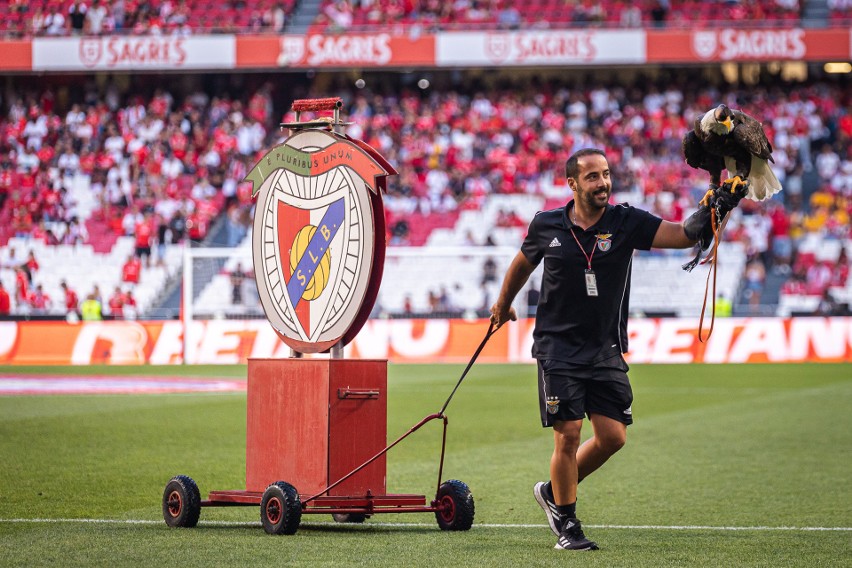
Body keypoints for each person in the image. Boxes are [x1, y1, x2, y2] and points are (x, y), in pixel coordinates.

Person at [489, 148, 746, 551]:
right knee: (568, 435)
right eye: (592, 176)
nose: (602, 183)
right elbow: (522, 264)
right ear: (572, 184)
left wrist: (717, 202)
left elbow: (683, 235)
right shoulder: (547, 225)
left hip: (605, 347)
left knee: (612, 438)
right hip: (557, 346)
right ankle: (567, 524)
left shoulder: (626, 221)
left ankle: (553, 494)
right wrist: (503, 305)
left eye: (606, 174)